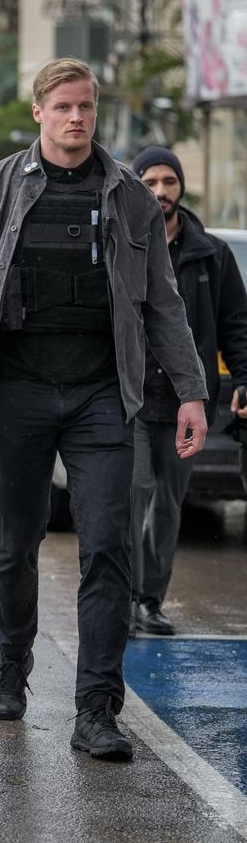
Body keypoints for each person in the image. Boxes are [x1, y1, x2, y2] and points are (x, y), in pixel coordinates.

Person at [0, 59, 208, 762]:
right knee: (14, 543)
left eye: (85, 106)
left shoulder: (129, 197)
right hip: (18, 391)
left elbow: (163, 303)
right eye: (62, 107)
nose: (76, 118)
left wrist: (192, 389)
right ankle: (12, 662)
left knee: (108, 547)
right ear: (39, 113)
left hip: (102, 398)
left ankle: (95, 707)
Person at [130, 146, 247, 635]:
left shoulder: (211, 253)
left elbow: (235, 322)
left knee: (168, 505)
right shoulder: (126, 242)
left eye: (169, 182)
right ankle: (120, 598)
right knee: (130, 495)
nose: (160, 191)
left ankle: (149, 601)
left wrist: (243, 377)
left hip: (187, 402)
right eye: (151, 182)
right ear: (137, 186)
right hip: (130, 398)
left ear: (181, 187)